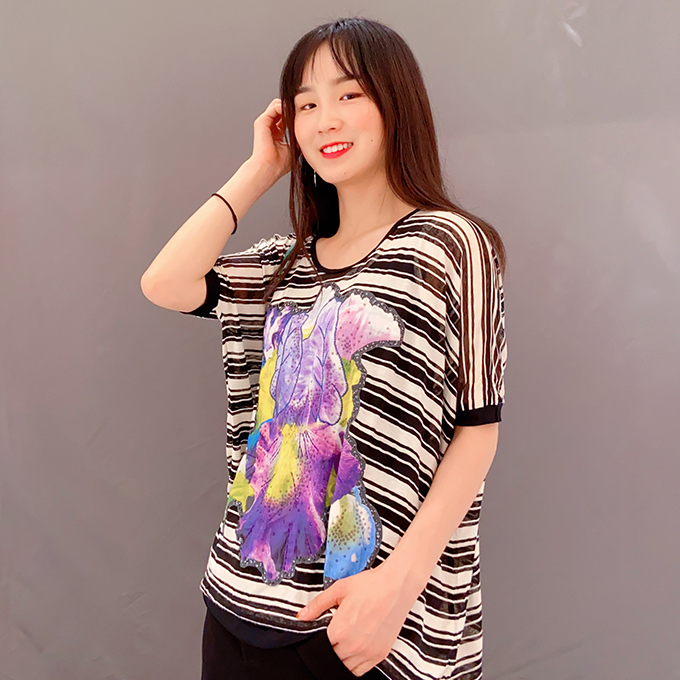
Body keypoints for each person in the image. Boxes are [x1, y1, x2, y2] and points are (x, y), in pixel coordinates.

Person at [141, 15, 507, 680]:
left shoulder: (451, 245)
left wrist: (395, 587)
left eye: (349, 94)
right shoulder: (284, 262)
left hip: (367, 622)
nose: (325, 119)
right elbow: (165, 283)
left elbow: (477, 429)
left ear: (396, 103)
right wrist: (260, 168)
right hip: (240, 606)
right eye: (306, 104)